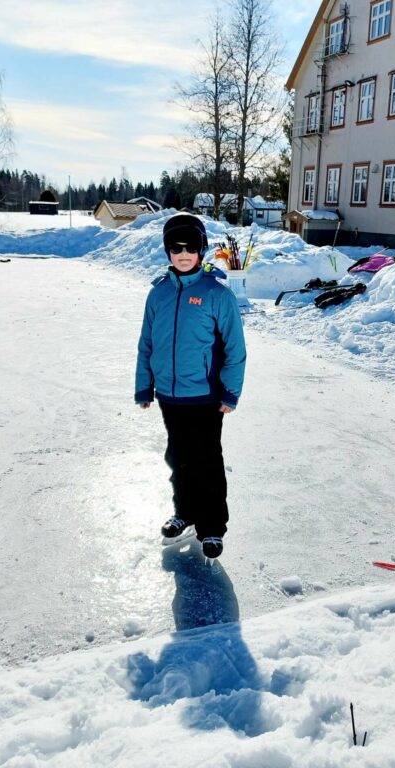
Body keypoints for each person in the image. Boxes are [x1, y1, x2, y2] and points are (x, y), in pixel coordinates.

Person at [135, 213, 247, 560]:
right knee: (178, 458)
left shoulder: (217, 295)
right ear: (168, 251)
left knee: (207, 461)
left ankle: (212, 527)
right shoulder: (159, 294)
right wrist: (144, 386)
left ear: (202, 250)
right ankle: (185, 512)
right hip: (169, 395)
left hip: (206, 397)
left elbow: (235, 349)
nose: (183, 254)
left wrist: (231, 392)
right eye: (175, 248)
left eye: (191, 247)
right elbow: (147, 343)